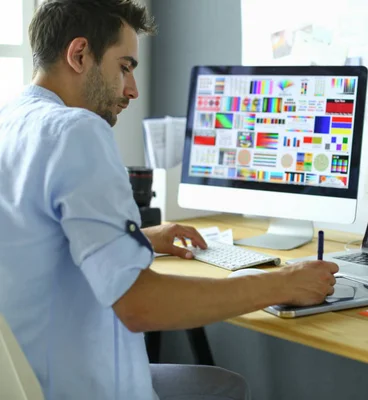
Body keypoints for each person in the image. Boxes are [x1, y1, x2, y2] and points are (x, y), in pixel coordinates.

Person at [0, 1, 339, 399]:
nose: (132, 89)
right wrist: (282, 282)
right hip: (84, 387)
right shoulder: (77, 130)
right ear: (79, 55)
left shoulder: (13, 121)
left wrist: (139, 239)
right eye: (124, 66)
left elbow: (35, 245)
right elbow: (140, 306)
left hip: (28, 379)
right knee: (224, 388)